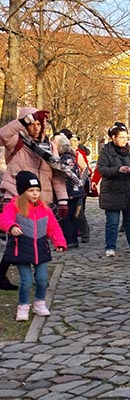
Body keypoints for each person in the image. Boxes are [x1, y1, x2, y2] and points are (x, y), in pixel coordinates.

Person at [0, 107, 69, 291]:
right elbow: (3, 135)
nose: (36, 128)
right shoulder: (17, 142)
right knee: (16, 240)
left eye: (39, 123)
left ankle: (39, 276)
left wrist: (62, 199)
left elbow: (57, 173)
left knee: (39, 237)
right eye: (32, 124)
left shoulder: (50, 145)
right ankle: (6, 274)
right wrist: (22, 122)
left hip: (41, 198)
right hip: (17, 196)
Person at [0, 171, 66, 321]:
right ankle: (23, 306)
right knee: (26, 280)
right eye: (31, 191)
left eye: (37, 190)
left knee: (42, 279)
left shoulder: (45, 209)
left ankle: (39, 303)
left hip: (40, 250)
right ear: (23, 192)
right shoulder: (14, 206)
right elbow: (4, 219)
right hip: (21, 250)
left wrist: (59, 242)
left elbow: (54, 228)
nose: (35, 194)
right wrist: (11, 226)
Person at [97, 122, 130, 257]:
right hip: (112, 191)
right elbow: (102, 169)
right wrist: (118, 170)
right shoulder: (106, 151)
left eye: (126, 137)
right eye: (121, 137)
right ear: (113, 137)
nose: (124, 140)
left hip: (129, 189)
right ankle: (110, 246)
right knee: (112, 222)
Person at [52, 134, 86, 249]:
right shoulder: (70, 156)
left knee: (66, 217)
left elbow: (64, 173)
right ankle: (73, 239)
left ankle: (69, 239)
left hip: (69, 191)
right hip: (73, 191)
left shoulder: (65, 158)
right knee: (71, 217)